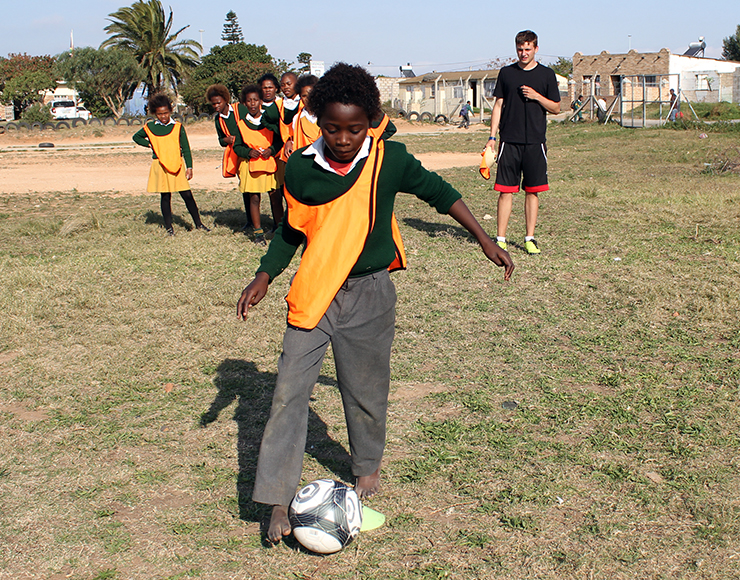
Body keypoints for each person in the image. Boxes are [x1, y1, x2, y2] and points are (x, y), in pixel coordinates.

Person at [236, 62, 514, 544]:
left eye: (355, 128)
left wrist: (485, 239)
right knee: (287, 393)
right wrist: (264, 275)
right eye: (332, 127)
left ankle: (366, 468)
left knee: (365, 388)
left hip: (371, 293)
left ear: (371, 120)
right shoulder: (301, 167)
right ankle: (278, 500)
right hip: (316, 292)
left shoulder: (390, 160)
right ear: (317, 118)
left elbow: (440, 193)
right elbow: (291, 229)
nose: (343, 138)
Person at [485, 30, 560, 255]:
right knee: (505, 191)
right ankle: (500, 239)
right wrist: (492, 137)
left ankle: (530, 238)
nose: (523, 53)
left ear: (536, 49)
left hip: (535, 142)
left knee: (532, 191)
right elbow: (498, 105)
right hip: (509, 140)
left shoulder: (547, 75)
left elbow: (556, 108)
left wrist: (537, 96)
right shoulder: (507, 73)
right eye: (520, 49)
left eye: (528, 49)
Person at [133, 93, 209, 236]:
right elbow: (136, 137)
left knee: (187, 195)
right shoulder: (150, 127)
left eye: (166, 113)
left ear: (171, 111)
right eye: (160, 114)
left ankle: (198, 224)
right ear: (155, 114)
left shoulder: (178, 127)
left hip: (177, 165)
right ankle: (169, 228)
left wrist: (190, 167)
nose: (163, 116)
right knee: (165, 196)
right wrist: (150, 144)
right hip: (160, 165)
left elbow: (186, 148)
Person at [236, 84, 282, 246]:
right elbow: (237, 147)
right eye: (249, 101)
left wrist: (272, 150)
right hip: (251, 166)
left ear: (261, 101)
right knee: (254, 198)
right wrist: (248, 152)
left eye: (256, 100)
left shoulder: (269, 120)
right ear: (244, 104)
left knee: (275, 197)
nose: (253, 103)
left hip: (269, 163)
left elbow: (279, 140)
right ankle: (258, 234)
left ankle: (279, 230)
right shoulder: (241, 124)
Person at [207, 83, 255, 231]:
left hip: (252, 151)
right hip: (237, 155)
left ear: (226, 100)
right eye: (213, 103)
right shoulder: (218, 120)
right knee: (246, 188)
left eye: (218, 102)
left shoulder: (240, 109)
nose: (216, 106)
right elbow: (221, 140)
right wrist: (226, 140)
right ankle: (250, 220)